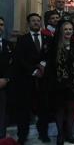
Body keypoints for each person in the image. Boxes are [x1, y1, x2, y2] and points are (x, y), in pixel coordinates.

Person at [13, 13, 52, 144]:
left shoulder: (47, 38)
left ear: (41, 23)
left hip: (44, 79)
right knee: (24, 109)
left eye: (38, 21)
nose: (36, 23)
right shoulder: (22, 39)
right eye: (33, 21)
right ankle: (22, 135)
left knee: (44, 108)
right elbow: (20, 59)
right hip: (27, 79)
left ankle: (44, 133)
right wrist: (33, 70)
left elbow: (50, 55)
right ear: (28, 23)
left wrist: (43, 65)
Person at [46, 20, 74, 145]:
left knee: (71, 109)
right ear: (61, 30)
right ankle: (60, 134)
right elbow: (50, 66)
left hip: (72, 83)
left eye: (70, 29)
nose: (68, 31)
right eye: (65, 29)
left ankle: (70, 134)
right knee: (60, 109)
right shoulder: (54, 46)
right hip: (58, 83)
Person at [0, 17, 13, 139]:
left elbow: (12, 65)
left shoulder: (8, 44)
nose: (0, 27)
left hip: (3, 84)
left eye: (1, 24)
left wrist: (6, 79)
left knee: (3, 112)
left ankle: (1, 136)